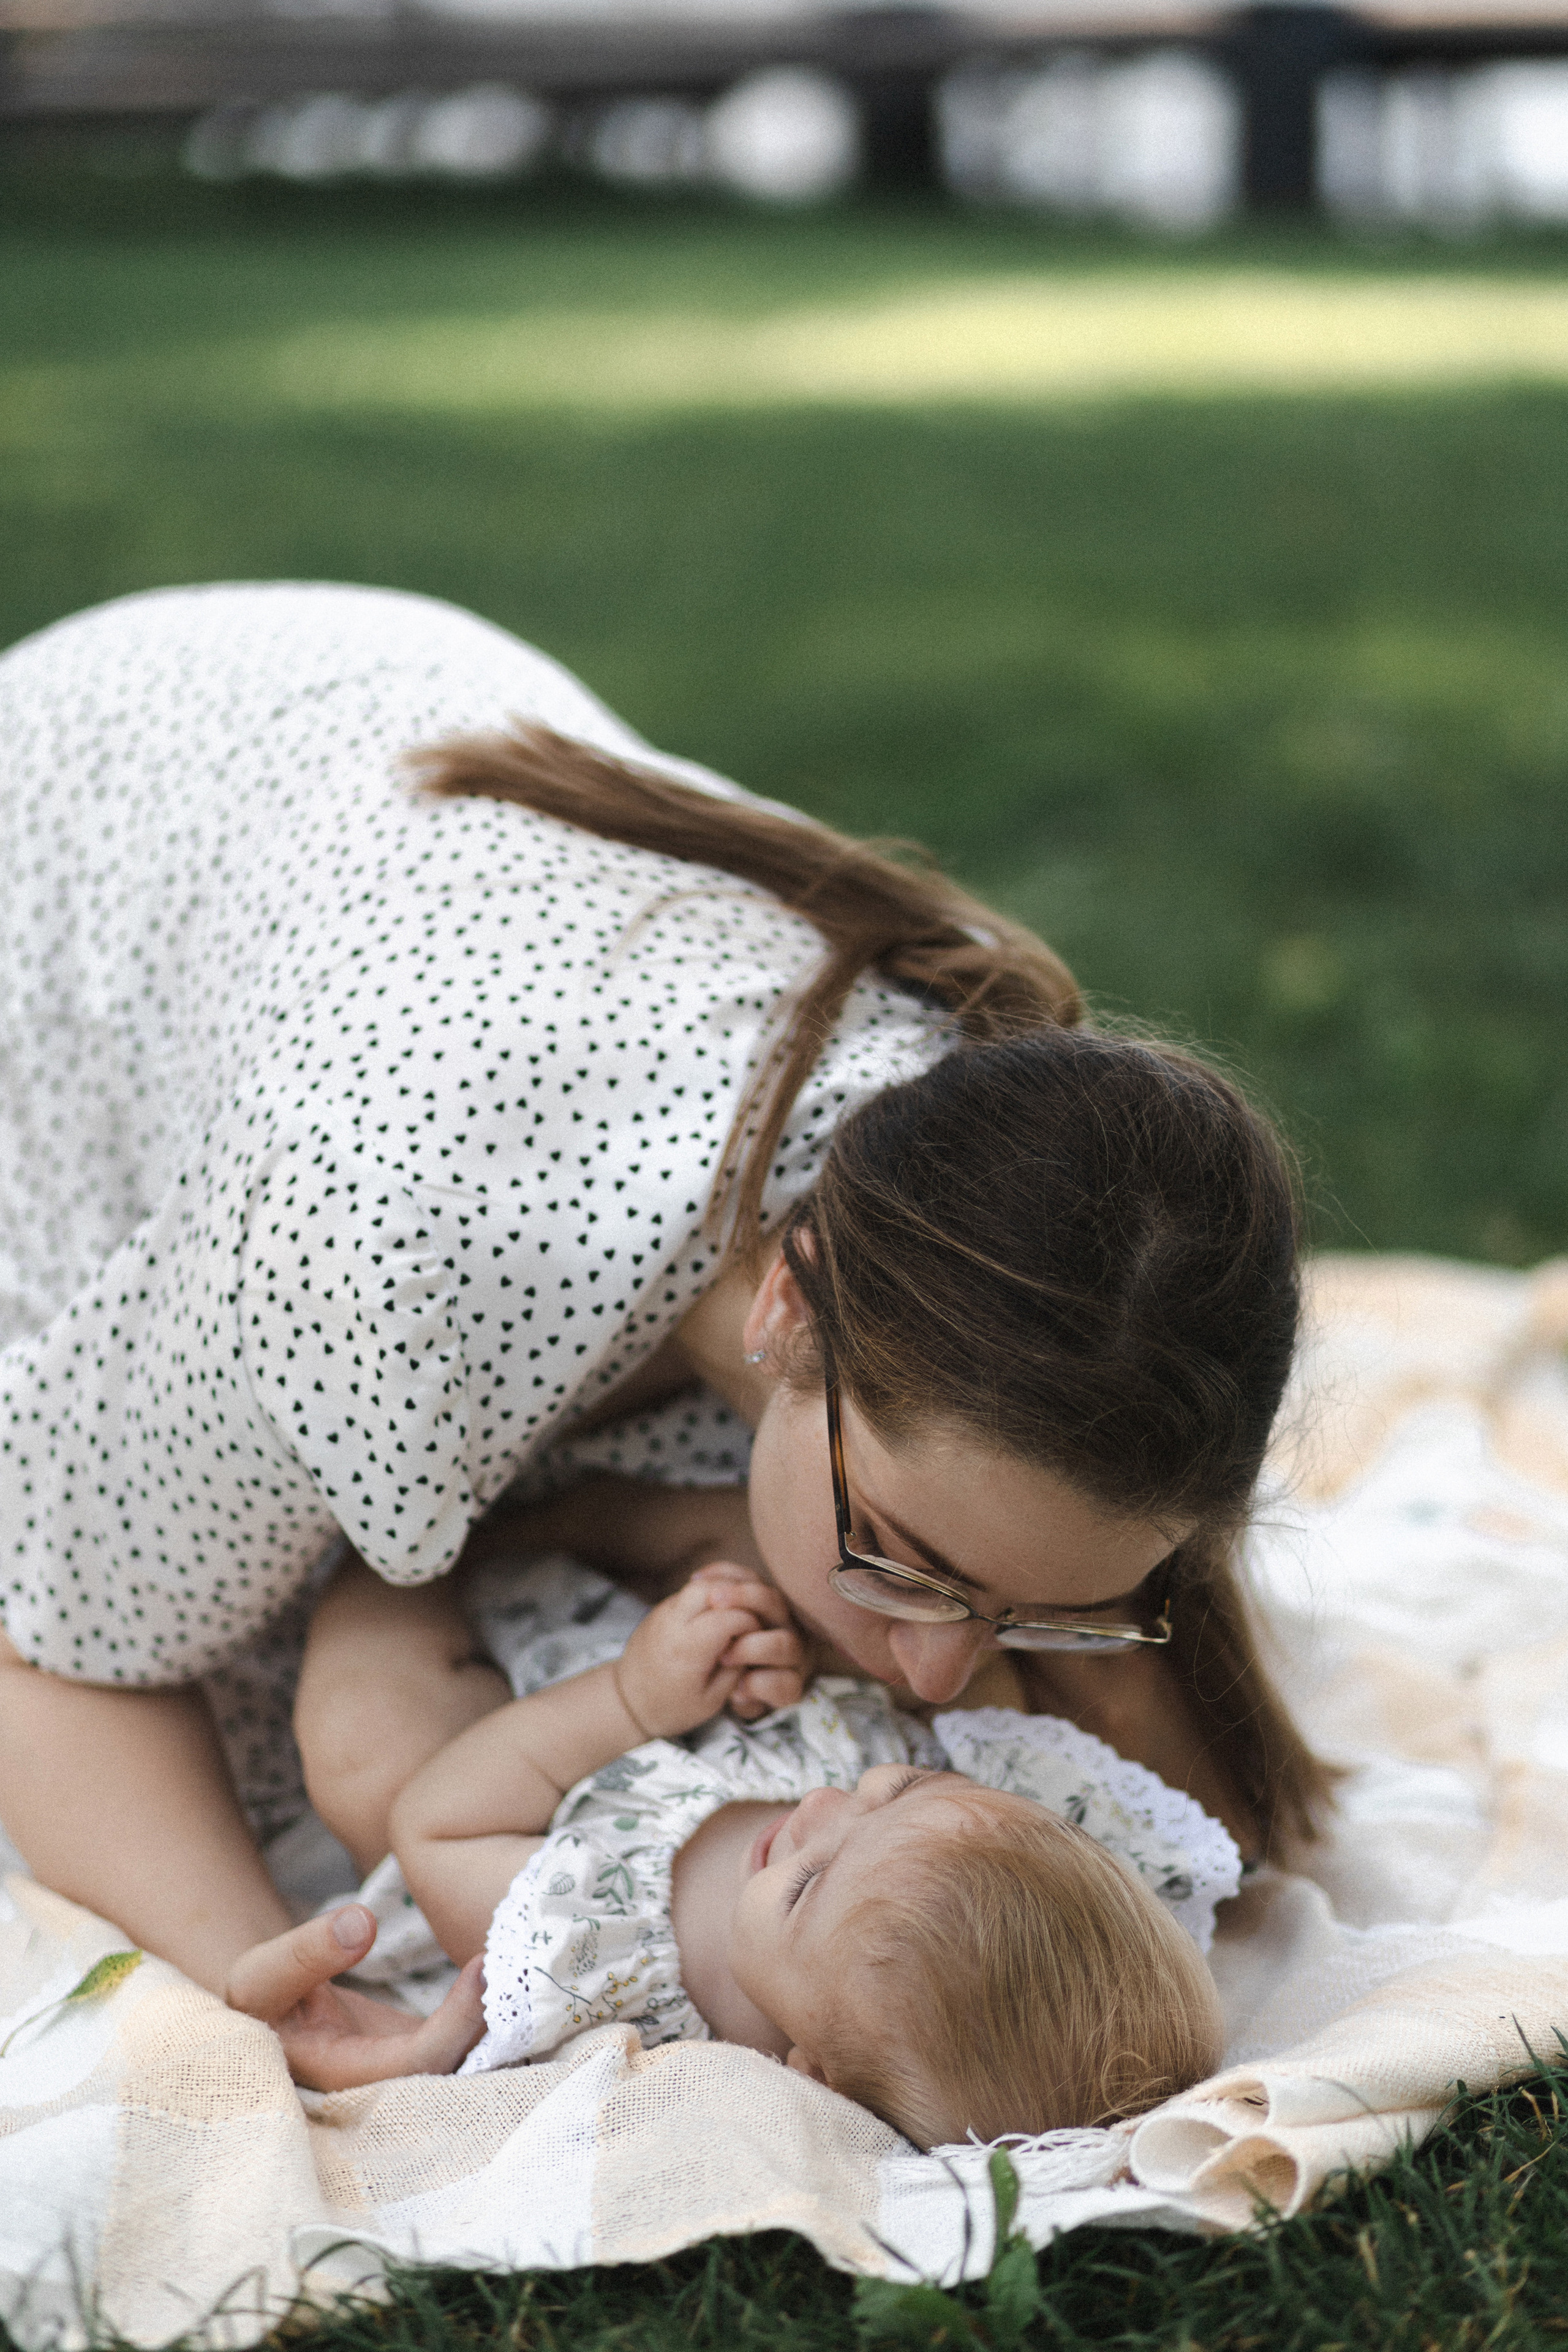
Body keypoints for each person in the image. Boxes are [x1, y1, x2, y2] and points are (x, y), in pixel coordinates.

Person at [0, 582, 1326, 2086]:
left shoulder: (1031, 1194)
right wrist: (274, 1975)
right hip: (77, 834)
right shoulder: (368, 1269)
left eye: (1028, 1610)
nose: (943, 1682)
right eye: (906, 1561)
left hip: (402, 812)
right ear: (786, 1305)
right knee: (258, 1653)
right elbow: (50, 1643)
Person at [361, 1558, 1229, 2145]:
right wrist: (775, 1650)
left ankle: (368, 1568)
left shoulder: (605, 1977)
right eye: (900, 1791)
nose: (822, 1803)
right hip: (628, 1616)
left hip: (496, 1731)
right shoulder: (905, 1808)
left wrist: (628, 1702)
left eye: (807, 1884)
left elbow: (438, 1824)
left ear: (813, 2077)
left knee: (363, 1752)